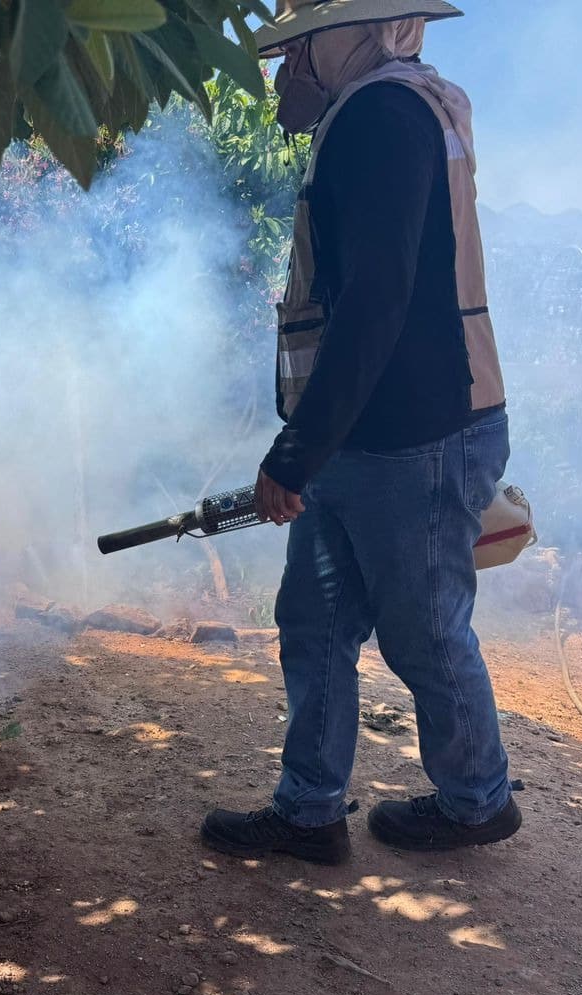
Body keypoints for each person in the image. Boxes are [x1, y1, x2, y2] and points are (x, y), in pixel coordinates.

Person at [200, 0, 521, 862]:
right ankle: (309, 811)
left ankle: (477, 800)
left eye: (301, 43)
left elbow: (376, 302)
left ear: (362, 33)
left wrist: (296, 453)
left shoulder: (383, 114)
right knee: (315, 620)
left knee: (422, 632)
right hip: (368, 433)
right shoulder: (383, 112)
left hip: (413, 435)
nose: (285, 68)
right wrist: (316, 444)